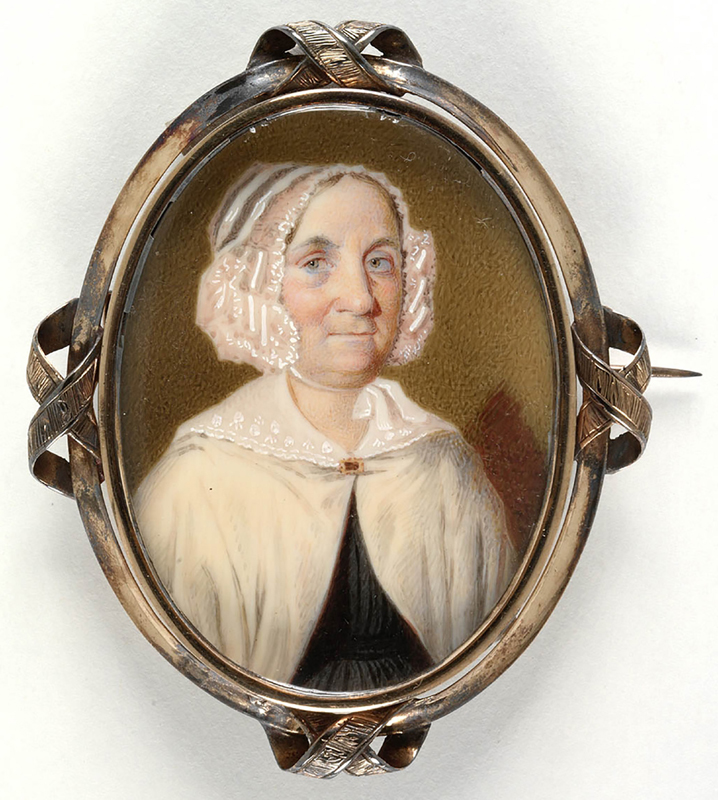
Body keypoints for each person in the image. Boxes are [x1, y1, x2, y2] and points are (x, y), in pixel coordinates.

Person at [134, 163, 517, 691]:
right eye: (316, 264)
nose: (360, 298)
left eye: (379, 262)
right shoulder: (197, 479)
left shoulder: (444, 463)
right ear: (263, 286)